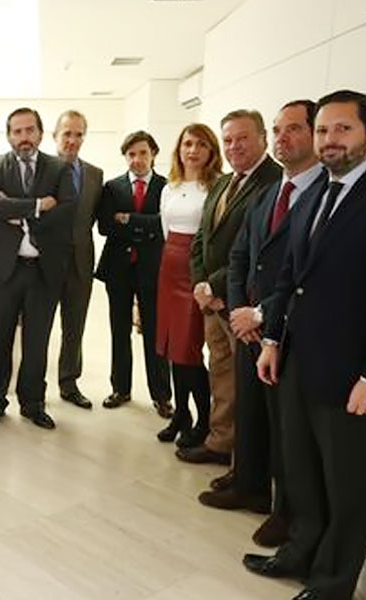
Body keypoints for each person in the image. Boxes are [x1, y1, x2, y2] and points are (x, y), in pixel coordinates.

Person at [247, 90, 366, 600]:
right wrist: (272, 339)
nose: (330, 140)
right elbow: (289, 276)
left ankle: (331, 584)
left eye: (343, 129)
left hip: (354, 377)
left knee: (349, 487)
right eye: (324, 130)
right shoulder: (313, 194)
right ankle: (298, 555)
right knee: (302, 474)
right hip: (296, 364)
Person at [200, 101, 323, 549]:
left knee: (285, 428)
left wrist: (259, 314)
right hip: (248, 324)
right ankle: (248, 484)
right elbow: (238, 257)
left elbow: (310, 272)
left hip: (290, 327)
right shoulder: (272, 193)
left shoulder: (321, 195)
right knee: (251, 412)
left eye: (294, 129)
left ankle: (282, 510)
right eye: (277, 129)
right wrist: (239, 312)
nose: (282, 137)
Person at [180, 110, 282, 466]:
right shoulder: (223, 182)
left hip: (243, 303)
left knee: (246, 384)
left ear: (262, 139)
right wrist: (199, 284)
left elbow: (254, 248)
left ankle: (246, 458)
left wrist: (214, 285)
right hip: (212, 300)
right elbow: (201, 240)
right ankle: (221, 442)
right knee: (220, 374)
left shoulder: (274, 183)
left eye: (242, 138)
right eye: (228, 140)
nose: (233, 146)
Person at [0, 107, 76, 430]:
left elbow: (67, 210)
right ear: (9, 136)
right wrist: (36, 205)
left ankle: (32, 404)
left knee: (37, 342)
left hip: (43, 269)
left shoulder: (59, 168)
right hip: (3, 269)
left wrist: (14, 210)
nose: (24, 137)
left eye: (29, 130)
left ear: (40, 133)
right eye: (17, 131)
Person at [95, 130, 172, 416]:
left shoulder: (167, 187)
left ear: (153, 154)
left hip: (153, 268)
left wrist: (128, 220)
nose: (137, 159)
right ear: (125, 157)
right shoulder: (112, 188)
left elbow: (165, 224)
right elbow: (105, 226)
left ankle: (162, 395)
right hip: (118, 269)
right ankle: (121, 388)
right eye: (131, 154)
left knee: (155, 332)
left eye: (143, 153)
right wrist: (146, 225)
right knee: (119, 329)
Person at [154, 124, 221, 447]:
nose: (192, 150)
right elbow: (167, 231)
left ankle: (206, 421)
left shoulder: (216, 187)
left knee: (189, 351)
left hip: (196, 274)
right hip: (169, 269)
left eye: (200, 145)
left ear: (211, 151)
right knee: (172, 349)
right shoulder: (170, 187)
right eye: (187, 144)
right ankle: (182, 414)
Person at [50, 110, 104, 410]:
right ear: (55, 136)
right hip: (44, 264)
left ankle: (69, 383)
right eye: (67, 133)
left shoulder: (95, 175)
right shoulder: (40, 169)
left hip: (81, 263)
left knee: (75, 328)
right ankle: (32, 387)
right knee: (39, 330)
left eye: (78, 134)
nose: (73, 140)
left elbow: (95, 218)